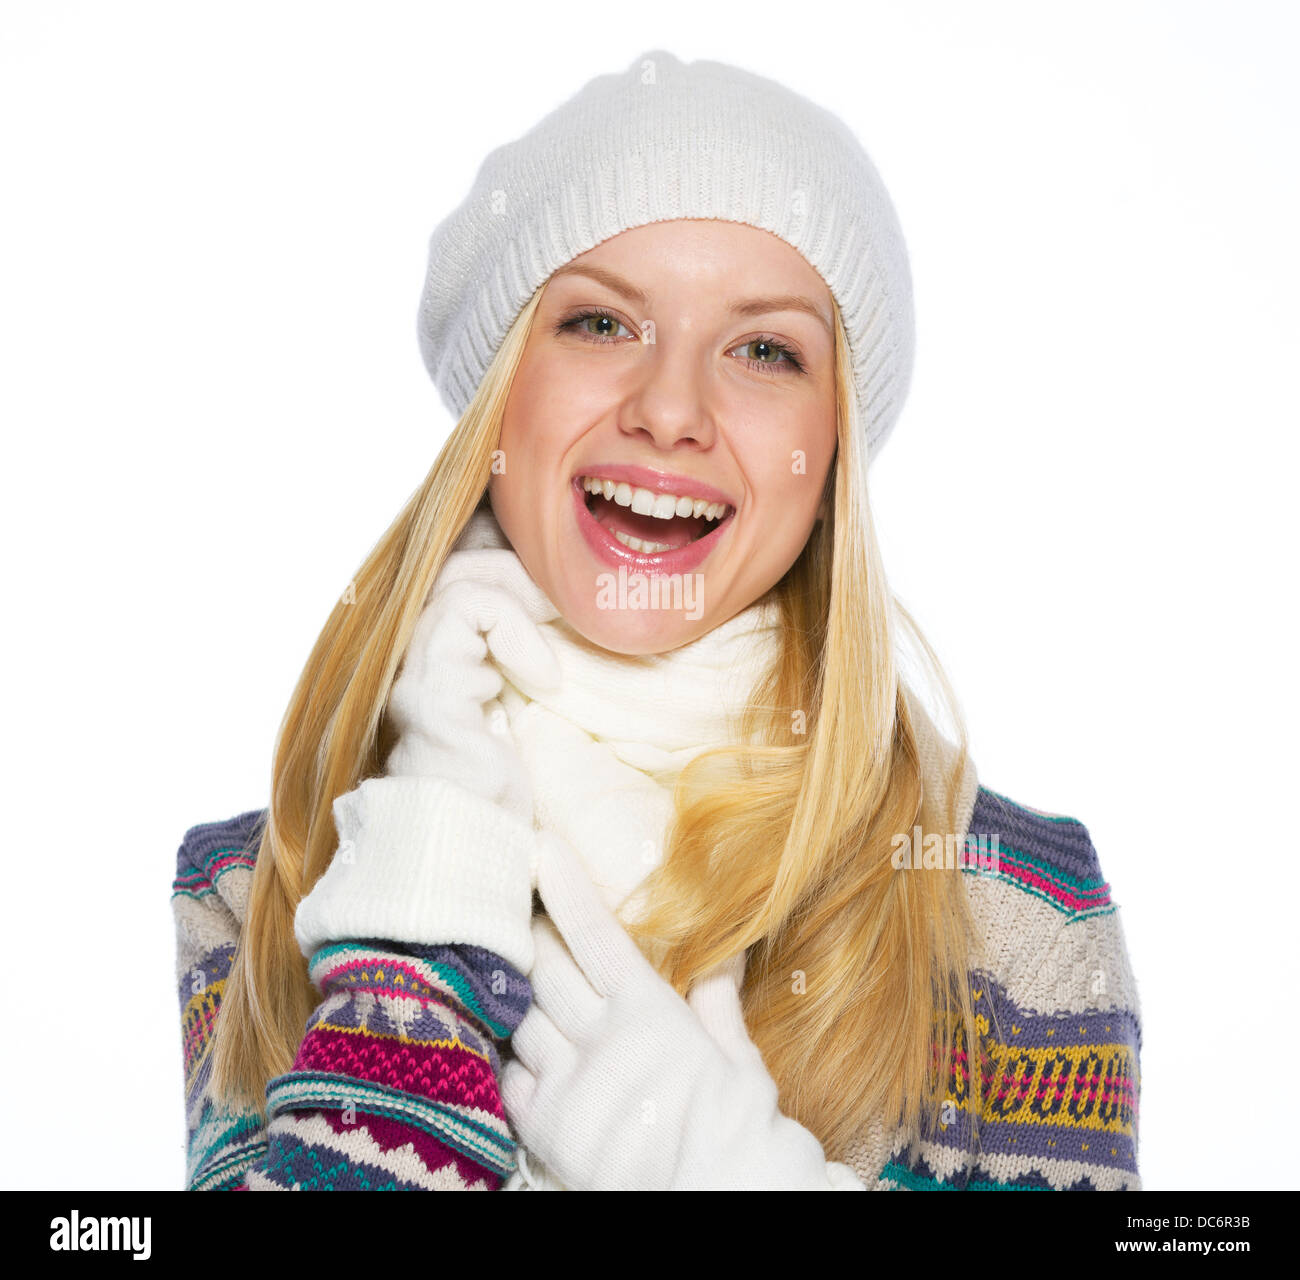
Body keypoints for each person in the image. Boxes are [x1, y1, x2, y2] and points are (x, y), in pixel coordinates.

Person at [171, 49, 1142, 1191]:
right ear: (500, 395)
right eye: (600, 324)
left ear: (830, 453)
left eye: (764, 349)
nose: (671, 410)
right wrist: (421, 902)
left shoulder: (1014, 909)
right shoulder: (264, 879)